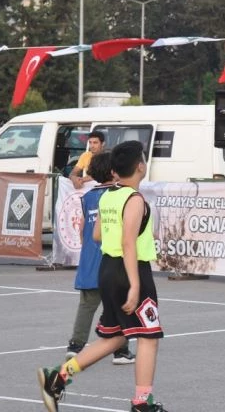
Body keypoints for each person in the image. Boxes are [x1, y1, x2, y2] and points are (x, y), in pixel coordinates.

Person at [38, 140, 167, 412]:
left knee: (116, 337)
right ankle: (142, 402)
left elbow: (97, 235)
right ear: (141, 167)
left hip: (108, 269)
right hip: (130, 270)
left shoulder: (108, 196)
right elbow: (129, 243)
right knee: (148, 335)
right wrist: (134, 285)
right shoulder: (134, 199)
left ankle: (58, 377)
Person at [64, 151, 136, 365]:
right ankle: (121, 350)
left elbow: (84, 229)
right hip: (110, 256)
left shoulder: (87, 197)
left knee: (87, 304)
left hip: (89, 256)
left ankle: (75, 346)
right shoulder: (119, 195)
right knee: (119, 304)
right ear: (114, 171)